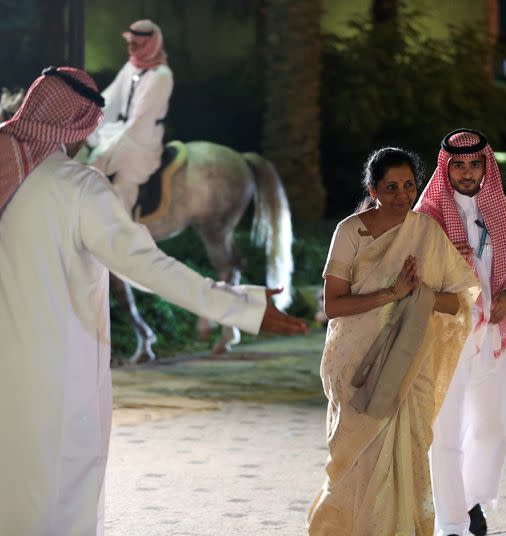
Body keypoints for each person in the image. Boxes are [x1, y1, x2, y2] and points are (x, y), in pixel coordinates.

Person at [0, 66, 307, 536]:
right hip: (54, 382)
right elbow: (148, 268)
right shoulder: (78, 187)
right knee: (59, 499)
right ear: (78, 126)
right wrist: (240, 305)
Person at [307, 147, 478, 536]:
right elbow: (333, 305)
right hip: (354, 363)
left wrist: (418, 297)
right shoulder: (350, 231)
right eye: (391, 187)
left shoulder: (426, 232)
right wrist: (393, 293)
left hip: (409, 362)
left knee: (409, 454)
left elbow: (459, 300)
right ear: (373, 188)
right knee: (353, 458)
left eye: (408, 186)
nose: (402, 195)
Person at [416, 129, 506, 536]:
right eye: (458, 165)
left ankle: (469, 501)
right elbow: (412, 275)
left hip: (496, 336)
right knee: (446, 430)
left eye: (474, 164)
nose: (467, 173)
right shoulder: (427, 216)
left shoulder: (503, 213)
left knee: (495, 427)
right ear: (445, 168)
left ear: (486, 165)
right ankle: (452, 523)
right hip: (446, 335)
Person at [87, 19, 172, 212]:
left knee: (124, 181)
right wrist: (88, 116)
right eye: (130, 43)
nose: (131, 48)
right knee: (93, 164)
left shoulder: (162, 75)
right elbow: (109, 98)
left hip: (144, 138)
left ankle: (122, 227)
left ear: (149, 44)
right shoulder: (130, 67)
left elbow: (142, 117)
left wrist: (113, 144)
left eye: (136, 44)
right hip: (123, 131)